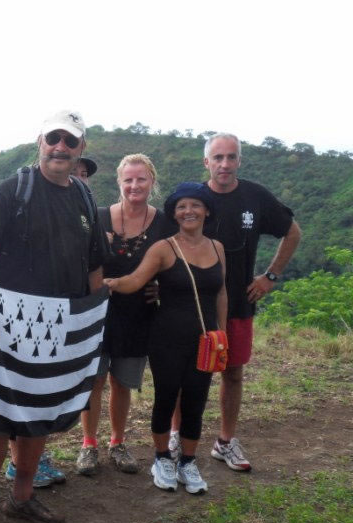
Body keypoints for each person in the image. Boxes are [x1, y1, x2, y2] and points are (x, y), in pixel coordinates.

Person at [0, 110, 107, 523]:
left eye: (71, 141)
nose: (61, 147)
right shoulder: (13, 190)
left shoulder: (83, 196)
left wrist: (97, 317)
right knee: (0, 417)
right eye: (54, 138)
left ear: (80, 148)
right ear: (40, 140)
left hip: (64, 320)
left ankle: (22, 497)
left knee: (40, 411)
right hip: (8, 320)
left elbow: (95, 261)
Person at [170, 134, 301, 471]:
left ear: (239, 161)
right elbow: (166, 244)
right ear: (206, 162)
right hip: (194, 302)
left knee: (233, 373)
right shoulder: (192, 200)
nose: (224, 164)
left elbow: (293, 231)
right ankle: (175, 435)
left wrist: (270, 277)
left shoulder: (255, 197)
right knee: (186, 372)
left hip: (240, 302)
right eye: (218, 158)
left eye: (231, 157)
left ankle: (225, 442)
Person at [106, 182, 227, 494]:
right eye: (181, 207)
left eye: (195, 205)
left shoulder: (217, 248)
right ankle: (162, 458)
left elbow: (221, 292)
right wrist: (109, 283)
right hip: (166, 338)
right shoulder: (164, 248)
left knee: (196, 401)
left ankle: (188, 461)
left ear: (206, 210)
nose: (189, 211)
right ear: (174, 214)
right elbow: (135, 280)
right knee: (166, 397)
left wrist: (222, 332)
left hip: (205, 341)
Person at [77, 154, 177, 476]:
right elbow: (82, 262)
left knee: (122, 382)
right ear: (119, 183)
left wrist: (165, 288)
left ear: (152, 182)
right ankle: (89, 444)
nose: (134, 185)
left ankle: (117, 442)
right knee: (94, 379)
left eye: (141, 179)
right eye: (128, 180)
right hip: (98, 310)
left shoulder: (164, 223)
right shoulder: (100, 216)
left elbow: (177, 263)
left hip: (139, 314)